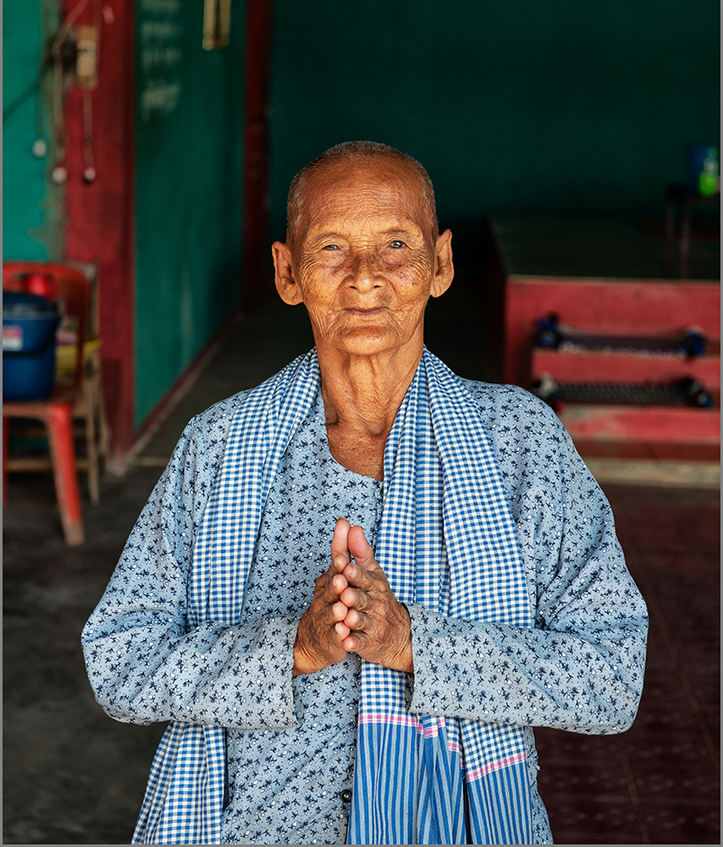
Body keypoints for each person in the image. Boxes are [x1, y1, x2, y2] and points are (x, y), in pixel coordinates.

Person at [82, 140, 648, 846]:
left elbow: (611, 676)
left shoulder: (519, 443)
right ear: (287, 273)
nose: (363, 279)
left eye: (394, 246)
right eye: (330, 248)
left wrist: (414, 642)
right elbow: (120, 660)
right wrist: (293, 646)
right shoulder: (219, 446)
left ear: (439, 264)